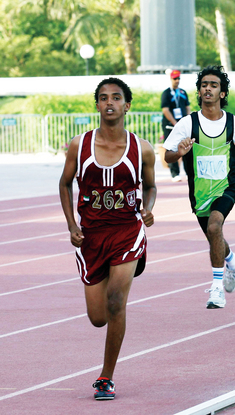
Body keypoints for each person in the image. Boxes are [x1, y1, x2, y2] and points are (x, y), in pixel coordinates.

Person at [59, 78, 157, 400]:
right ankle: (110, 309)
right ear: (97, 105)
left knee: (116, 301)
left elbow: (151, 186)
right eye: (103, 98)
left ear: (127, 106)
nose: (110, 103)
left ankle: (106, 377)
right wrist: (72, 224)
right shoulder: (80, 145)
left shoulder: (141, 148)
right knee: (98, 317)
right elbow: (64, 184)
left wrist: (148, 209)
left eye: (116, 97)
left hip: (127, 232)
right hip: (91, 238)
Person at [163, 65, 235, 309]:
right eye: (204, 85)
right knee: (214, 235)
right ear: (199, 90)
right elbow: (168, 156)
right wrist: (179, 152)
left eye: (214, 85)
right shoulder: (186, 123)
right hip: (200, 190)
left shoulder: (234, 123)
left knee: (215, 225)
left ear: (222, 93)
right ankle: (232, 260)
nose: (208, 89)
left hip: (228, 184)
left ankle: (216, 289)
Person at [161, 69, 191, 181]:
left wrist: (187, 120)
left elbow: (187, 107)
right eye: (175, 79)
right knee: (171, 149)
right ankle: (175, 173)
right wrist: (175, 123)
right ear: (171, 79)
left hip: (182, 124)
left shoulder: (183, 92)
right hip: (170, 125)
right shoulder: (166, 93)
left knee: (188, 147)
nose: (177, 81)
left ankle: (189, 172)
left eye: (178, 78)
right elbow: (165, 110)